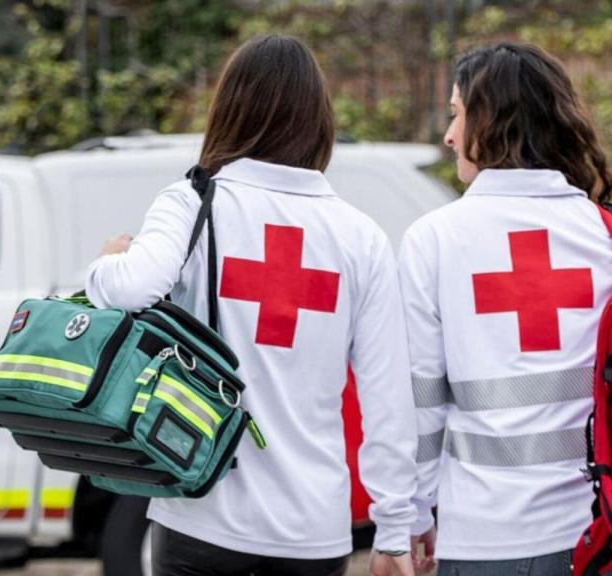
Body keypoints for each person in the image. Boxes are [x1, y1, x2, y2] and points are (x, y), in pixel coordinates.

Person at [86, 34, 418, 576]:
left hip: (203, 515)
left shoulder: (194, 202)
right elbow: (388, 401)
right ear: (320, 119)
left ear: (230, 110)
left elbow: (128, 289)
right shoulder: (361, 237)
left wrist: (105, 261)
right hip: (314, 529)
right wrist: (394, 530)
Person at [402, 42, 612, 576]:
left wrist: (415, 508)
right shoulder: (603, 234)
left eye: (456, 114)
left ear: (492, 121)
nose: (449, 136)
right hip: (593, 535)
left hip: (481, 539)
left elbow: (421, 397)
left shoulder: (435, 239)